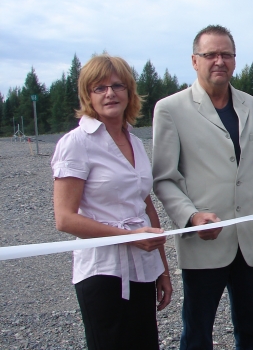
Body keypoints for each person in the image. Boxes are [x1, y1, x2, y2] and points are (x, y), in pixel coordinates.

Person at [152, 25, 253, 350]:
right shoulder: (171, 109)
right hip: (204, 242)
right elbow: (164, 178)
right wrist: (190, 217)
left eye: (226, 54)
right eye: (210, 54)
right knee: (197, 334)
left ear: (234, 60)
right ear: (194, 60)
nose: (219, 60)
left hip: (249, 244)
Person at [52, 55, 172, 350]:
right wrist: (128, 238)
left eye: (117, 86)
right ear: (87, 95)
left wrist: (163, 270)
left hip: (142, 269)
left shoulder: (134, 141)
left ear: (129, 92)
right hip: (102, 272)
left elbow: (145, 205)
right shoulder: (77, 143)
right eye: (99, 88)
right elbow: (65, 219)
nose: (110, 93)